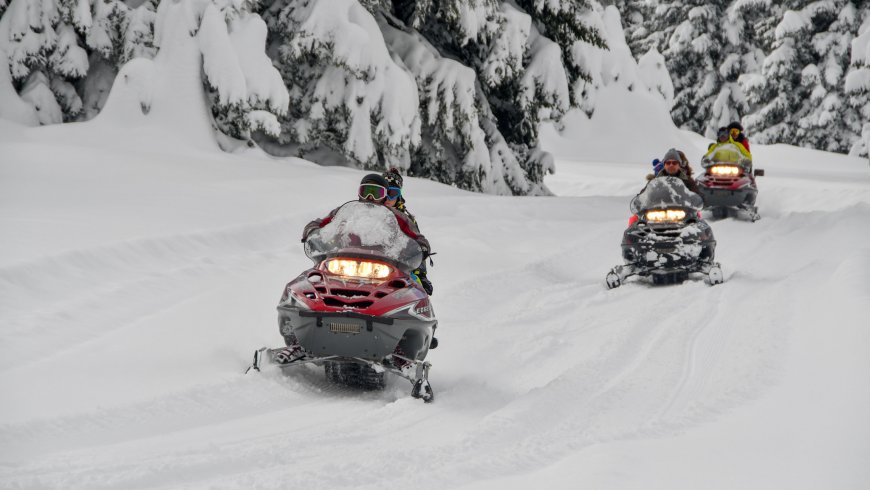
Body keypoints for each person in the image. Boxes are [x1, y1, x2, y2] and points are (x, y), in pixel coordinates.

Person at [276, 174, 432, 364]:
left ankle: (401, 349)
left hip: (383, 266)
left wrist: (422, 247)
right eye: (367, 191)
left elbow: (415, 236)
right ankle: (299, 340)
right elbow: (321, 223)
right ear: (359, 192)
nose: (371, 198)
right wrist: (312, 231)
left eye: (377, 193)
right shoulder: (343, 212)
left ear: (385, 195)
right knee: (305, 286)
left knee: (409, 295)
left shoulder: (397, 217)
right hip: (342, 260)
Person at [382, 167, 434, 296]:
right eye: (385, 192)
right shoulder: (366, 212)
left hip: (398, 267)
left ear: (399, 195)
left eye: (392, 193)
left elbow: (416, 244)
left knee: (417, 290)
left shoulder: (406, 219)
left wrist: (421, 275)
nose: (388, 198)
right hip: (367, 262)